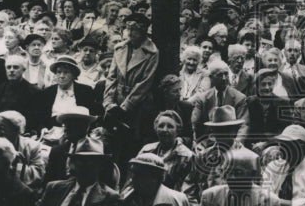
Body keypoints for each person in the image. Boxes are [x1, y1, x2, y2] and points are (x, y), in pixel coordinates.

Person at [103, 12, 159, 156]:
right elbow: (112, 77)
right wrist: (109, 102)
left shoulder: (152, 52)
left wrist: (125, 107)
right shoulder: (120, 48)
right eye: (128, 29)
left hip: (138, 104)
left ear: (143, 31)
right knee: (111, 139)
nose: (130, 33)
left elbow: (145, 83)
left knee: (133, 142)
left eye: (134, 30)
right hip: (116, 100)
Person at [29, 54, 101, 132]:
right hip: (51, 133)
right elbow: (39, 118)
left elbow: (93, 114)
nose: (62, 76)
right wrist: (43, 129)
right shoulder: (46, 93)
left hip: (78, 132)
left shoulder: (85, 91)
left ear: (74, 75)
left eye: (66, 72)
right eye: (59, 72)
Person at [136, 110, 194, 192]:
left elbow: (187, 190)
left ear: (178, 130)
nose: (165, 130)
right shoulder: (146, 150)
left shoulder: (187, 157)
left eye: (170, 126)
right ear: (155, 129)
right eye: (161, 126)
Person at [0, 54, 37, 125]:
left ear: (23, 70)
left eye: (16, 67)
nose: (11, 70)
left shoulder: (33, 91)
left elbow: (33, 119)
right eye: (8, 67)